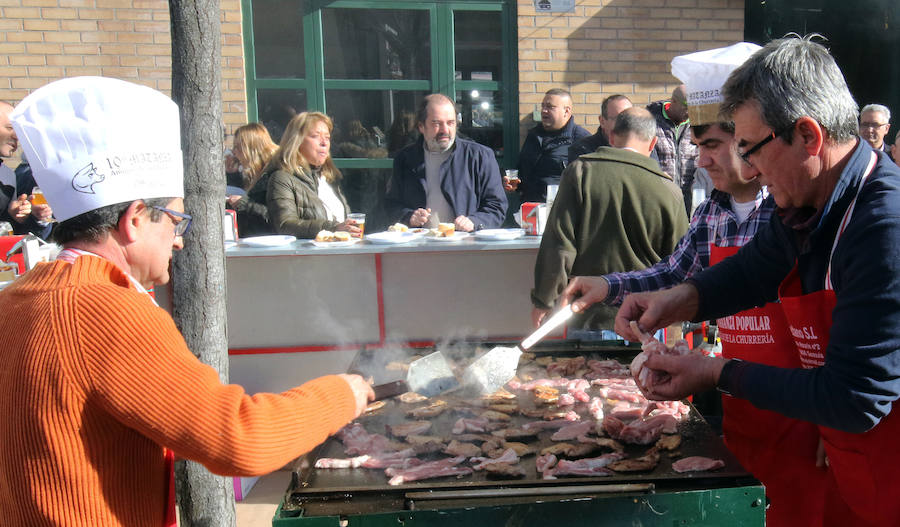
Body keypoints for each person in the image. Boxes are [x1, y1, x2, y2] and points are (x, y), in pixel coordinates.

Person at [1, 77, 374, 526]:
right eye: (176, 220)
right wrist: (342, 394)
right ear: (135, 220)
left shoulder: (18, 297)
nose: (179, 241)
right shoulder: (108, 311)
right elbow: (240, 438)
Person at [592, 37, 900, 527]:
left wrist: (716, 373)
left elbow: (856, 398)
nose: (749, 168)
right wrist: (677, 299)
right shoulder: (808, 203)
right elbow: (754, 269)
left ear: (808, 136)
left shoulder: (882, 228)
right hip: (852, 462)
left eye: (750, 149)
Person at [561, 42, 826, 527]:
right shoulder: (711, 214)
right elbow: (673, 276)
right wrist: (606, 285)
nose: (700, 161)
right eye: (696, 146)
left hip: (807, 407)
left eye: (711, 145)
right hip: (742, 401)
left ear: (751, 139)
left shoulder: (791, 209)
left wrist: (833, 421)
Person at [531, 107, 687, 333]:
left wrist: (544, 300)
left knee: (584, 369)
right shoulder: (669, 190)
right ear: (652, 144)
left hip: (586, 313)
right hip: (645, 320)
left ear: (611, 136)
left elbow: (559, 245)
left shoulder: (580, 173)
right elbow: (679, 262)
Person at [385, 94, 507, 231]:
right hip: (418, 246)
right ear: (421, 126)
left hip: (466, 246)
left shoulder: (480, 157)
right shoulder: (405, 159)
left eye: (450, 123)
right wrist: (408, 216)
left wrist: (474, 221)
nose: (445, 130)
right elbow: (391, 205)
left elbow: (497, 206)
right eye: (436, 123)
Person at [265, 112, 362, 239]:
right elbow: (285, 225)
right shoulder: (282, 178)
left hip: (340, 253)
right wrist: (332, 228)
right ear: (296, 141)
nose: (324, 143)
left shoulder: (329, 178)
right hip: (307, 257)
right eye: (315, 136)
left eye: (327, 137)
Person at [512, 88, 590, 203]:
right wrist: (514, 184)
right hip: (530, 211)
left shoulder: (581, 141)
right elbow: (522, 171)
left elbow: (588, 184)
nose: (544, 111)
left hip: (561, 213)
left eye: (550, 107)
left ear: (566, 111)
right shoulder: (534, 135)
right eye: (543, 106)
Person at [0, 102, 53, 237]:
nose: (17, 136)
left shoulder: (8, 175)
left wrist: (16, 216)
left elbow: (15, 238)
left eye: (18, 130)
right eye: (10, 128)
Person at [647, 85, 699, 215]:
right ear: (673, 101)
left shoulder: (697, 125)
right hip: (659, 199)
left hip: (689, 201)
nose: (690, 112)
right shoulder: (650, 121)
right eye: (686, 107)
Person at [226, 122, 279, 236]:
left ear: (251, 148)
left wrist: (244, 204)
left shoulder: (274, 174)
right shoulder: (257, 173)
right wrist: (232, 175)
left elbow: (276, 216)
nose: (233, 152)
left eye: (237, 147)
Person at [567, 94, 633, 163]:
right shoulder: (583, 152)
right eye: (618, 118)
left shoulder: (641, 148)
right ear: (602, 121)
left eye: (630, 118)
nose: (625, 123)